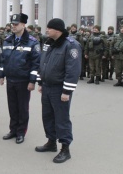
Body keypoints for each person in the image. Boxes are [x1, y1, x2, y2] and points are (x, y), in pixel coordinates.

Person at [35, 18, 81, 164]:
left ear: (58, 30)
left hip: (60, 89)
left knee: (61, 119)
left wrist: (66, 92)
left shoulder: (71, 45)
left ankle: (65, 149)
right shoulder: (48, 44)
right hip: (47, 86)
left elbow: (73, 71)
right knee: (47, 116)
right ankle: (51, 142)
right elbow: (43, 63)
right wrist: (41, 82)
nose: (46, 30)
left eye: (49, 28)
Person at [0, 13, 40, 144]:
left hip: (23, 81)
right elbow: (3, 60)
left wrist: (32, 81)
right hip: (11, 79)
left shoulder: (32, 42)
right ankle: (13, 130)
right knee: (12, 106)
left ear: (23, 25)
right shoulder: (7, 40)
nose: (14, 26)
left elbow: (36, 63)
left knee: (22, 108)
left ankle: (21, 132)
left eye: (16, 24)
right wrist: (1, 75)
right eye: (12, 24)